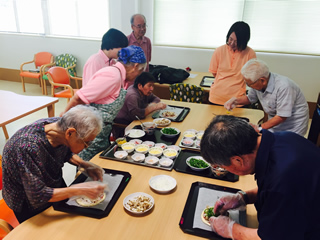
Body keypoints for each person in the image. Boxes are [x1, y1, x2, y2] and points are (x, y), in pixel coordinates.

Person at [200, 115, 320, 240]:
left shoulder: (282, 179)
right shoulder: (283, 137)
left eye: (223, 166)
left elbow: (272, 237)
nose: (224, 170)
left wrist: (230, 229)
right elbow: (277, 191)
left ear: (237, 160)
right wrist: (244, 197)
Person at [2, 105, 107, 223]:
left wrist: (84, 164)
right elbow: (38, 195)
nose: (87, 147)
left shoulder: (60, 126)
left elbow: (65, 151)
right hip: (27, 200)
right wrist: (79, 190)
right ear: (70, 133)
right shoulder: (26, 147)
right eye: (87, 143)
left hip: (51, 182)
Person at [60, 45, 146, 161]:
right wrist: (62, 119)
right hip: (91, 134)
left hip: (101, 133)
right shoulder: (112, 75)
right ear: (135, 66)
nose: (137, 76)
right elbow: (79, 97)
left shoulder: (120, 76)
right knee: (86, 169)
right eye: (140, 71)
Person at [224, 58, 309, 136]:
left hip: (293, 127)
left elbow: (282, 116)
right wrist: (235, 101)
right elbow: (250, 98)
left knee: (282, 148)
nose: (248, 86)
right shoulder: (257, 82)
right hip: (275, 123)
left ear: (262, 80)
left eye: (249, 84)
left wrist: (259, 128)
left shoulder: (284, 86)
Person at [208, 21, 256, 105]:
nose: (232, 44)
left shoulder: (250, 53)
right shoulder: (219, 50)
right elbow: (214, 73)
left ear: (244, 41)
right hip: (216, 97)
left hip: (237, 99)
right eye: (230, 39)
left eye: (236, 41)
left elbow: (251, 77)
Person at [113, 72, 166, 137]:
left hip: (136, 121)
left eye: (152, 86)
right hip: (123, 125)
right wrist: (154, 107)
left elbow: (156, 98)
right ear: (140, 86)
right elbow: (138, 115)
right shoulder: (132, 95)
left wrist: (152, 105)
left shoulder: (144, 91)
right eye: (149, 85)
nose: (152, 89)